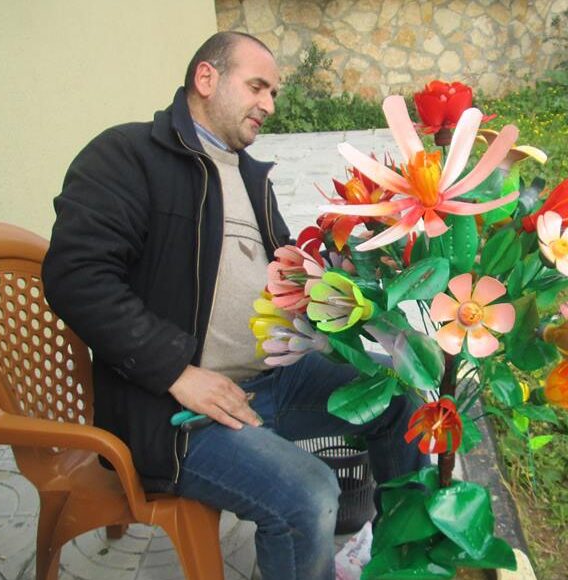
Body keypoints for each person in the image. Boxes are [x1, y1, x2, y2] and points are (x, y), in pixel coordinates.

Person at [43, 32, 426, 579]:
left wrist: (352, 267)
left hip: (272, 378)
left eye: (273, 92)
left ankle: (399, 555)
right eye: (257, 87)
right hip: (175, 410)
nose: (268, 104)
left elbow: (287, 273)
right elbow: (75, 276)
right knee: (309, 494)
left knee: (400, 395)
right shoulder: (127, 156)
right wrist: (177, 373)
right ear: (207, 78)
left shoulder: (250, 177)